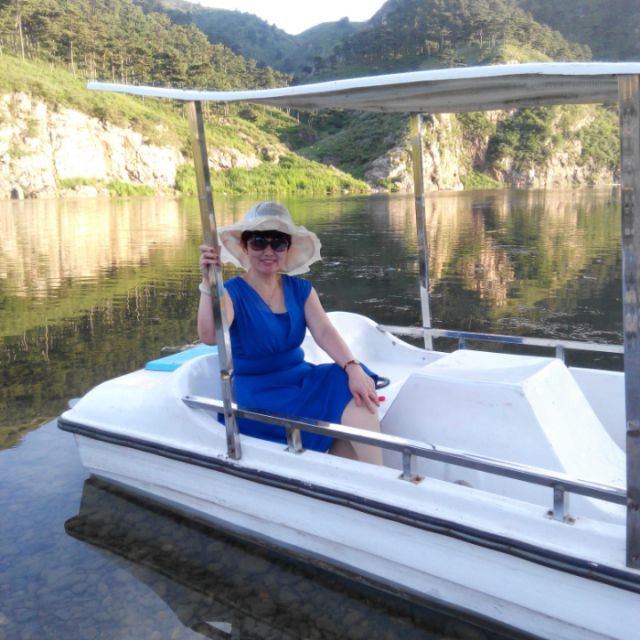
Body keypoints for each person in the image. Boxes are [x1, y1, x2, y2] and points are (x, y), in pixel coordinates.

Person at [198, 201, 382, 464]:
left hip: (299, 379)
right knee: (348, 389)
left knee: (352, 385)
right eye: (258, 242)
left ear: (288, 248)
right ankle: (369, 475)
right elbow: (209, 335)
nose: (268, 251)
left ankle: (369, 472)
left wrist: (353, 368)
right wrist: (208, 284)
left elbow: (324, 332)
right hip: (258, 391)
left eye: (278, 243)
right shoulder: (231, 292)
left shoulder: (300, 289)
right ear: (245, 247)